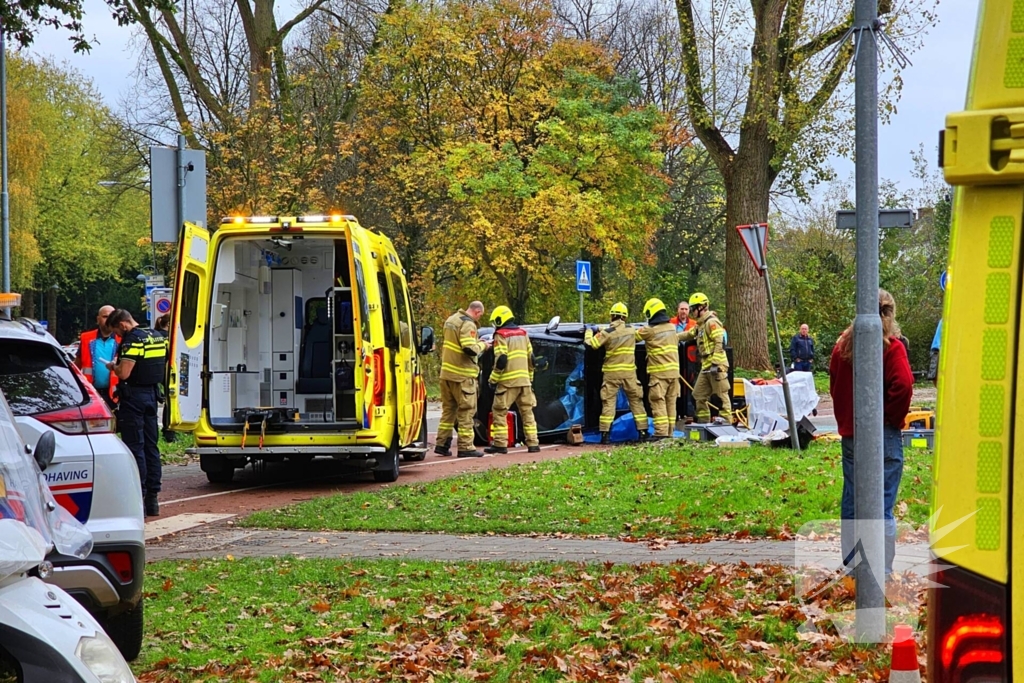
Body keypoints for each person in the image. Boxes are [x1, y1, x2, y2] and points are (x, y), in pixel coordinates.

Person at [829, 289, 914, 576]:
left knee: (853, 500)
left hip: (852, 435)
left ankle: (853, 569)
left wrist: (847, 421)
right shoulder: (892, 348)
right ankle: (881, 570)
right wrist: (891, 417)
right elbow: (903, 385)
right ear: (890, 314)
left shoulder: (843, 347)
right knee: (883, 504)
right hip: (883, 434)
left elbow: (836, 387)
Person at [104, 309, 168, 517]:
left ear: (122, 325)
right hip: (152, 396)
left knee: (135, 447)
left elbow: (125, 372)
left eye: (117, 332)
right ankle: (153, 498)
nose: (118, 336)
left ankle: (138, 496)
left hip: (134, 399)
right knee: (151, 447)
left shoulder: (133, 340)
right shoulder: (157, 337)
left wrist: (113, 366)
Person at [585, 302, 648, 444]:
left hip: (611, 374)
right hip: (629, 374)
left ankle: (605, 435)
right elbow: (639, 336)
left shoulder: (607, 332)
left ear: (612, 316)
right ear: (625, 317)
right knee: (636, 402)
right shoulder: (631, 330)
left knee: (608, 403)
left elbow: (591, 344)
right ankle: (643, 432)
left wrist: (590, 330)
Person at [436, 301, 488, 458]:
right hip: (462, 376)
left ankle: (442, 444)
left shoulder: (451, 320)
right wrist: (484, 345)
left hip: (446, 374)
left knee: (448, 411)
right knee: (466, 411)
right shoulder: (468, 324)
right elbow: (469, 348)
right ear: (477, 312)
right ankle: (466, 446)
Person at [485, 306, 541, 454]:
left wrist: (492, 379)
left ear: (499, 319)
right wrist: (530, 379)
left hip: (508, 382)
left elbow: (501, 359)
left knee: (499, 411)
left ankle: (500, 444)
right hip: (524, 382)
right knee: (527, 413)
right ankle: (533, 443)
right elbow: (532, 359)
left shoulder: (501, 335)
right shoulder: (523, 334)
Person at [678, 293, 732, 424]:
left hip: (716, 366)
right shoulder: (700, 325)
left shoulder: (712, 322)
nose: (691, 312)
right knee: (698, 395)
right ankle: (703, 422)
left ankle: (727, 423)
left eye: (693, 309)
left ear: (702, 307)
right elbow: (689, 334)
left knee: (721, 395)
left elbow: (720, 343)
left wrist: (716, 364)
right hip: (706, 366)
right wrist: (672, 336)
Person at [636, 298, 681, 439]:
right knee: (671, 403)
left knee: (657, 401)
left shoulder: (650, 331)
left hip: (659, 374)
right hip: (674, 374)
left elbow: (633, 337)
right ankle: (670, 432)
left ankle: (660, 434)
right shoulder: (672, 328)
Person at [74, 305, 120, 410]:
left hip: (115, 394)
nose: (109, 320)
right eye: (105, 316)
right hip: (91, 392)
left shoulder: (121, 339)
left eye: (112, 317)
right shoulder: (86, 338)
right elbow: (77, 365)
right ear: (98, 319)